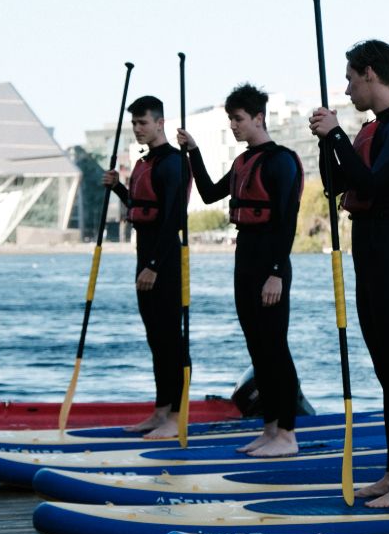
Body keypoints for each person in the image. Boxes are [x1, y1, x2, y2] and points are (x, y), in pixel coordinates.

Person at [309, 39, 389, 508]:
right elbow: (338, 184)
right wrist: (329, 141)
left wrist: (338, 135)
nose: (346, 88)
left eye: (349, 78)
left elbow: (378, 187)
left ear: (369, 74)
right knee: (386, 370)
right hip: (371, 253)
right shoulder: (374, 128)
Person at [178, 84, 303, 457]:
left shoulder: (281, 160)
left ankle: (287, 433)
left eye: (238, 119)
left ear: (258, 118)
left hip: (270, 264)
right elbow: (208, 192)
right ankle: (269, 429)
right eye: (230, 119)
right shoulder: (241, 162)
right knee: (257, 348)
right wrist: (194, 152)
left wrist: (277, 272)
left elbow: (287, 221)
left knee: (275, 347)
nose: (233, 125)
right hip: (245, 260)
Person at [102, 96, 192, 438]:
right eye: (134, 124)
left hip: (165, 258)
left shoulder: (173, 162)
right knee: (155, 337)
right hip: (145, 253)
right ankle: (160, 410)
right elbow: (142, 207)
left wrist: (154, 265)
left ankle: (176, 416)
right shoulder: (146, 162)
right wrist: (118, 190)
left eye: (143, 123)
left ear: (160, 123)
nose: (138, 129)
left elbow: (173, 219)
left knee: (172, 339)